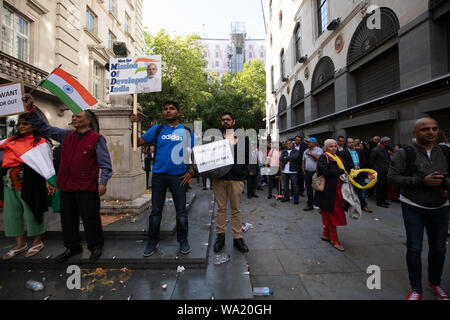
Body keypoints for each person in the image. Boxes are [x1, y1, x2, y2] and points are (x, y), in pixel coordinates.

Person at [22, 94, 113, 262]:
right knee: (67, 221)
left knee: (90, 220)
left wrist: (103, 182)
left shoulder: (97, 139)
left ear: (88, 121)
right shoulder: (65, 135)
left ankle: (95, 247)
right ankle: (72, 247)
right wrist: (31, 109)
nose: (75, 118)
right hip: (66, 187)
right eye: (74, 116)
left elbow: (105, 164)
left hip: (87, 188)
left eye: (79, 116)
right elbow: (43, 127)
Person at [388, 117, 450, 300]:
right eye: (425, 129)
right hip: (413, 206)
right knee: (414, 248)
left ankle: (435, 282)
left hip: (441, 207)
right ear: (415, 133)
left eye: (434, 128)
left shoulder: (446, 152)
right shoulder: (405, 153)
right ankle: (416, 289)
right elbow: (392, 178)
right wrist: (421, 181)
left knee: (439, 248)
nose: (430, 132)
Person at [130, 101, 195, 256]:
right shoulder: (157, 129)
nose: (168, 111)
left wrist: (191, 172)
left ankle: (183, 240)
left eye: (171, 109)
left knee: (181, 212)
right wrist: (135, 125)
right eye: (165, 109)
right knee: (155, 212)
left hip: (179, 177)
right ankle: (152, 242)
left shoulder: (186, 131)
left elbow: (194, 152)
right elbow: (137, 142)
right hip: (159, 176)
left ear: (178, 113)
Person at [1, 115, 56, 260]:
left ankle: (37, 242)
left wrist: (48, 180)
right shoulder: (11, 140)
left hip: (30, 181)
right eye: (19, 124)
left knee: (32, 210)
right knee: (11, 213)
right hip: (9, 180)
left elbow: (46, 164)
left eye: (25, 124)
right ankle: (20, 244)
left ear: (34, 126)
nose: (21, 126)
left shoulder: (42, 143)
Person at [212, 111, 249, 254]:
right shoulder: (215, 138)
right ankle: (220, 237)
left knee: (236, 209)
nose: (225, 122)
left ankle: (238, 238)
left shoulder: (242, 137)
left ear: (233, 122)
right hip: (219, 179)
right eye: (223, 120)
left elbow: (247, 157)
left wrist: (242, 172)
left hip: (236, 179)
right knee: (221, 209)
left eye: (228, 119)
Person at [314, 139, 350, 252]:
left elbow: (345, 169)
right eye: (331, 146)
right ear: (325, 148)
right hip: (327, 192)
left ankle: (326, 234)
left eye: (335, 146)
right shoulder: (323, 157)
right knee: (332, 215)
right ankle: (334, 240)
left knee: (331, 214)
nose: (333, 148)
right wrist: (340, 172)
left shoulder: (338, 158)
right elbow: (325, 171)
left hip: (338, 190)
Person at [341, 137, 372, 213]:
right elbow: (343, 163)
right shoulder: (343, 152)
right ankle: (347, 205)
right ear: (347, 144)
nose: (351, 143)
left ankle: (363, 205)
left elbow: (364, 160)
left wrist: (359, 167)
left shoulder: (359, 151)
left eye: (352, 142)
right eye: (349, 142)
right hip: (350, 174)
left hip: (360, 173)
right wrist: (352, 167)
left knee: (360, 190)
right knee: (349, 191)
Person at [370, 136, 391, 208]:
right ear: (384, 142)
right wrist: (375, 171)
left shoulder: (385, 149)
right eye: (388, 142)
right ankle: (379, 202)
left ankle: (384, 200)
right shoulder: (376, 150)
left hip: (385, 171)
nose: (389, 144)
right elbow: (371, 161)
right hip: (379, 171)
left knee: (385, 186)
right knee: (380, 187)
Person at [302, 137, 323, 211]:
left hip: (316, 173)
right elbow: (303, 161)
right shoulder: (305, 151)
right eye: (307, 142)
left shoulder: (319, 150)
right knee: (309, 189)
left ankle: (319, 204)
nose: (308, 143)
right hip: (307, 173)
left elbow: (319, 158)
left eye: (309, 142)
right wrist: (303, 171)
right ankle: (310, 204)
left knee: (318, 189)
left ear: (314, 143)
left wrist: (311, 154)